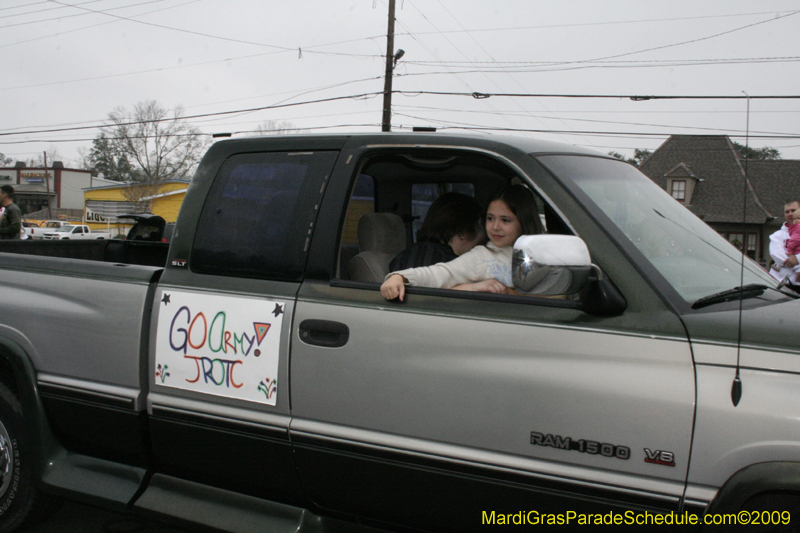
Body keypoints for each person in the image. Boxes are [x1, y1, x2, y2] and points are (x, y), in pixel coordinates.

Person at [381, 184, 542, 301]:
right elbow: (440, 274)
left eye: (505, 220)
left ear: (524, 222)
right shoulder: (481, 256)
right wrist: (399, 277)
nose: (495, 227)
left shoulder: (545, 254)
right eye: (490, 218)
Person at [389, 192, 485, 271]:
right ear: (462, 232)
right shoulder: (448, 264)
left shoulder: (403, 256)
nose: (484, 234)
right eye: (479, 226)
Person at [769, 200, 800, 289]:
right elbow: (778, 256)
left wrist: (797, 258)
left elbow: (794, 259)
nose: (790, 214)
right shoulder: (777, 235)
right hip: (781, 284)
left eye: (793, 210)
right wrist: (798, 268)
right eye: (787, 212)